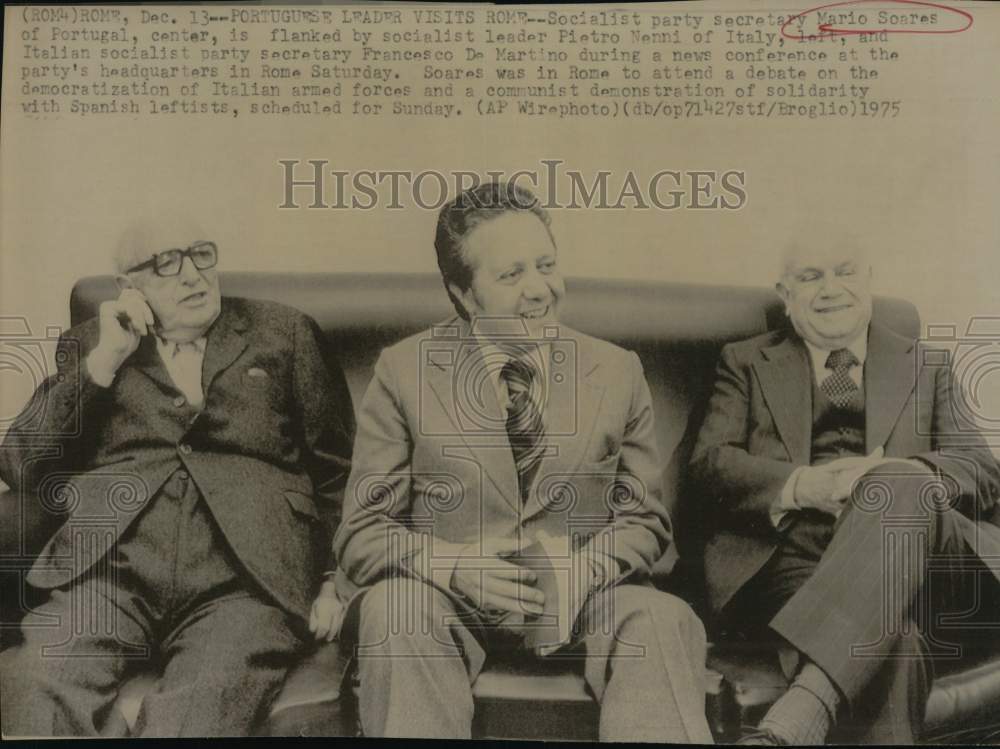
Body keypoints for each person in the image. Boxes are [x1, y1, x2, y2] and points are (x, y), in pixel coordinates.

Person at [313, 181, 713, 741]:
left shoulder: (617, 371)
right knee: (396, 610)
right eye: (510, 275)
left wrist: (585, 569)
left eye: (546, 265)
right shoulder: (403, 373)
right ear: (463, 295)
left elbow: (645, 521)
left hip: (584, 603)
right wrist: (452, 565)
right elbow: (360, 533)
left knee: (664, 619)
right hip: (445, 604)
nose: (539, 290)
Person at [0, 216, 355, 736]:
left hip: (245, 585)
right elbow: (21, 463)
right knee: (35, 679)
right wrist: (106, 361)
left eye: (201, 254)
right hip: (113, 577)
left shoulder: (285, 333)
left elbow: (339, 472)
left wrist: (334, 580)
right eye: (167, 263)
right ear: (129, 287)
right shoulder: (93, 346)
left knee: (197, 713)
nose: (193, 276)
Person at [690, 234, 1000, 744]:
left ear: (869, 280)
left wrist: (892, 479)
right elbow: (709, 465)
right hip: (799, 559)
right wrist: (802, 486)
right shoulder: (744, 362)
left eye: (845, 271)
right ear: (784, 293)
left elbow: (980, 469)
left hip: (926, 562)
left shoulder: (929, 364)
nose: (830, 289)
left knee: (896, 483)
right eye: (810, 277)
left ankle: (802, 714)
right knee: (894, 642)